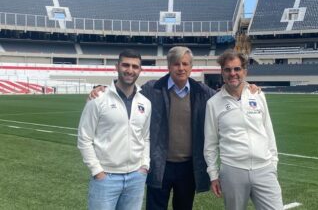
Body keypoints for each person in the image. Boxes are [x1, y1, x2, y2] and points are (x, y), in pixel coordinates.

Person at [89, 46, 260, 210]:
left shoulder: (202, 91)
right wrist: (103, 89)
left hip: (188, 167)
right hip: (159, 165)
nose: (181, 68)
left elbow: (226, 95)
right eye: (176, 64)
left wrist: (246, 87)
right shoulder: (152, 88)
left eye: (185, 64)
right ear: (169, 66)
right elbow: (128, 92)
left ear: (191, 67)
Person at [204, 49, 283, 210]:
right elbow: (210, 144)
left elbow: (269, 132)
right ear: (222, 73)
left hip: (264, 169)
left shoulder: (258, 95)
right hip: (233, 171)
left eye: (237, 69)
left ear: (244, 71)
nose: (233, 73)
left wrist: (273, 163)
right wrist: (213, 175)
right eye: (228, 69)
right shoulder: (213, 103)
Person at [78, 49, 151, 210]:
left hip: (136, 177)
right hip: (106, 178)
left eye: (135, 66)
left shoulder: (145, 102)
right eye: (125, 65)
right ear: (117, 66)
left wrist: (144, 166)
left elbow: (145, 137)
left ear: (140, 70)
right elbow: (84, 139)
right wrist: (97, 171)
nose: (130, 70)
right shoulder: (98, 99)